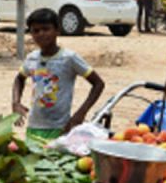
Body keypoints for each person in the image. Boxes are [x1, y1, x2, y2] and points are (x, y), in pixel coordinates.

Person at [12, 8, 105, 141]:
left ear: (57, 30)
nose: (41, 34)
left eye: (46, 29)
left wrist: (81, 113)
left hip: (60, 128)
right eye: (36, 31)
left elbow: (98, 84)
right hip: (34, 127)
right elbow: (19, 78)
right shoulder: (32, 58)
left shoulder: (69, 58)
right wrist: (16, 102)